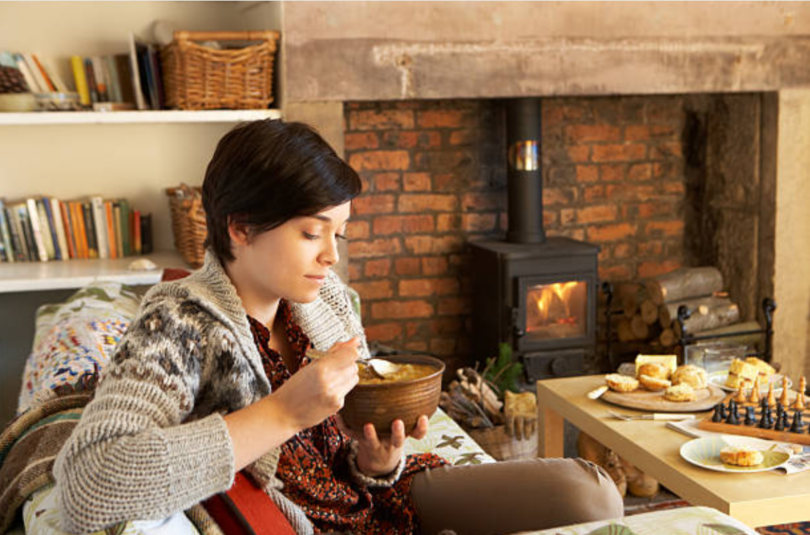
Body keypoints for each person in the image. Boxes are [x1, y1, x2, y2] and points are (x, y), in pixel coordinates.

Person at [54, 119, 623, 535]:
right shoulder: (175, 322)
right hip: (314, 522)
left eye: (339, 235)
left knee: (591, 494)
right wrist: (281, 413)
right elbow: (87, 482)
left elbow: (360, 445)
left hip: (383, 495)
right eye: (311, 233)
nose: (331, 257)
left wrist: (378, 461)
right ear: (241, 228)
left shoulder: (325, 301)